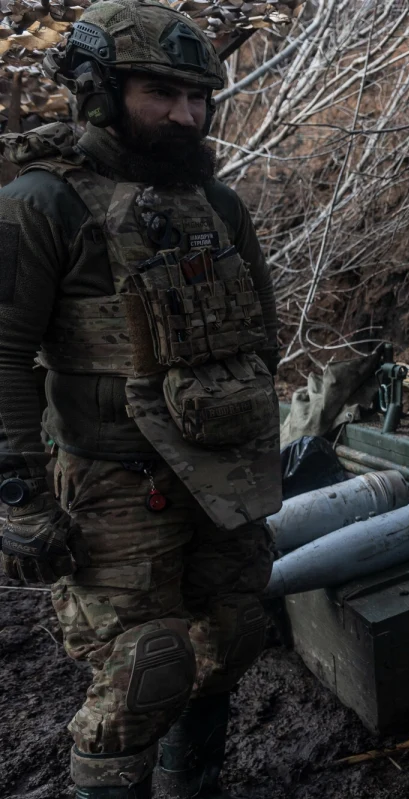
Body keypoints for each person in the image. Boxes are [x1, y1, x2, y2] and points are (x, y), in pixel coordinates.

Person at [0, 2, 282, 796]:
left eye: (198, 97)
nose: (187, 115)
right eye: (161, 92)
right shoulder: (41, 201)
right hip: (116, 484)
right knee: (143, 673)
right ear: (98, 87)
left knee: (230, 638)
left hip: (223, 477)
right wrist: (19, 492)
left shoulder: (217, 205)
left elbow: (258, 334)